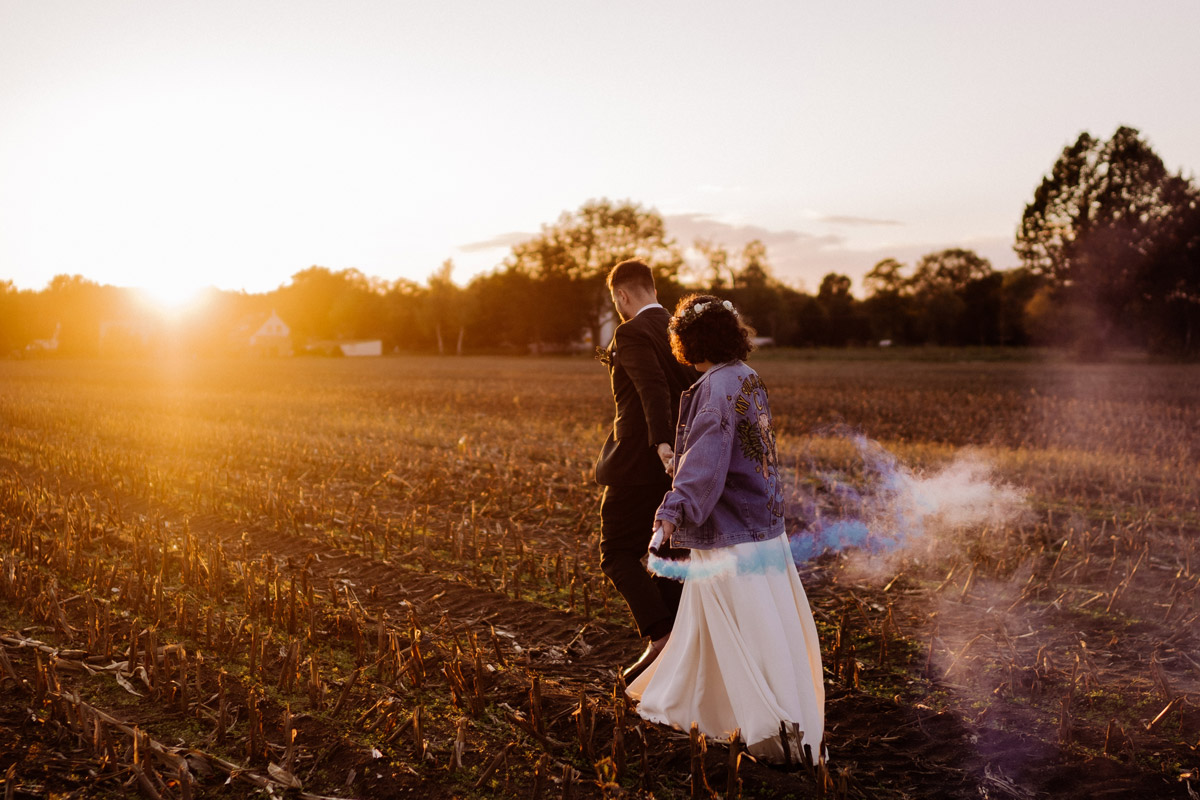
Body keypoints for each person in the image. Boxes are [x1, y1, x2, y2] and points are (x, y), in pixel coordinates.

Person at [626, 293, 825, 764]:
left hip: (732, 535)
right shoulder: (748, 377)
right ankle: (718, 709)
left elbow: (706, 464)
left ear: (687, 341)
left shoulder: (714, 389)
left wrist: (670, 514)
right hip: (765, 527)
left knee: (748, 632)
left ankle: (774, 728)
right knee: (749, 627)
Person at [595, 259, 698, 683]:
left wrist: (660, 444)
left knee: (617, 552)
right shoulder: (681, 333)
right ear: (653, 289)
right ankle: (674, 654)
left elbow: (652, 387)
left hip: (641, 464)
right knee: (672, 556)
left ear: (621, 295)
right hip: (683, 466)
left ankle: (661, 635)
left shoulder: (631, 331)